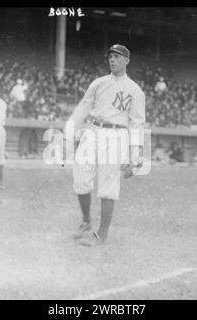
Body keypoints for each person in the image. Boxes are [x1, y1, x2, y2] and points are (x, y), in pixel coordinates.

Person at [67, 44, 145, 246]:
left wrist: (135, 156)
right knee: (81, 179)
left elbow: (137, 123)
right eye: (111, 56)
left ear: (127, 60)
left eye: (118, 57)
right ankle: (85, 222)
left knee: (108, 186)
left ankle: (101, 234)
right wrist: (69, 131)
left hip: (116, 135)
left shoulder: (135, 90)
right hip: (92, 130)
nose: (112, 60)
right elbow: (83, 107)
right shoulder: (98, 83)